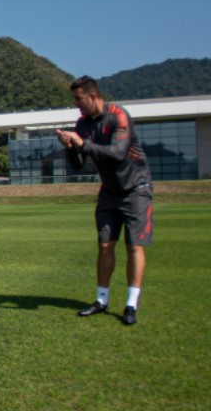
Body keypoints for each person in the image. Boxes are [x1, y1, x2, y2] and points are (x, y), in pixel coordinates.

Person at [57, 75, 153, 326]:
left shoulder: (118, 115)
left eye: (79, 99)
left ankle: (131, 304)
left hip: (135, 190)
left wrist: (82, 143)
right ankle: (101, 300)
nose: (76, 104)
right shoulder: (83, 124)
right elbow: (78, 165)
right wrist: (69, 146)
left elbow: (118, 154)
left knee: (134, 247)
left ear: (93, 96)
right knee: (104, 246)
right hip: (109, 192)